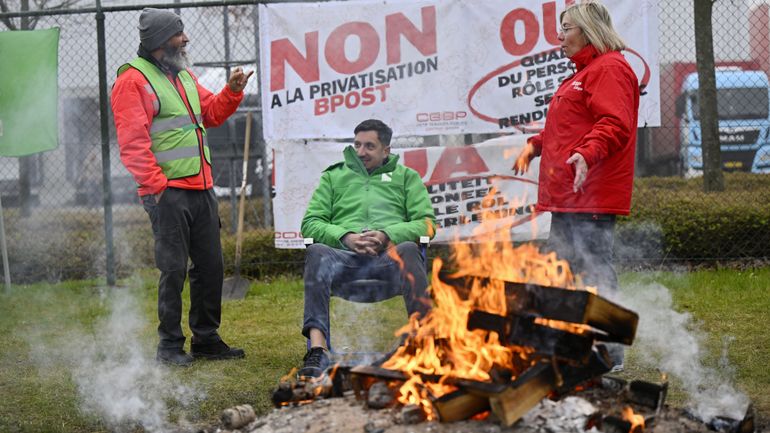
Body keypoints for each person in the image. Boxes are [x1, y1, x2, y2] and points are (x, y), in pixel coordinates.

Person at [111, 8, 254, 366]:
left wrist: (232, 92)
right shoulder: (132, 80)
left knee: (210, 266)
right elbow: (132, 143)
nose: (185, 39)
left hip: (201, 187)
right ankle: (170, 347)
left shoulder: (183, 73)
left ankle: (206, 339)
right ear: (161, 40)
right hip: (168, 192)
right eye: (179, 34)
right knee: (173, 269)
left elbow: (212, 113)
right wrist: (158, 187)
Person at [513, 1, 639, 371]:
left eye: (566, 28)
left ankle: (610, 354)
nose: (559, 36)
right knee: (563, 271)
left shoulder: (610, 69)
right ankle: (571, 346)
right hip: (571, 196)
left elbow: (615, 124)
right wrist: (536, 145)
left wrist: (587, 154)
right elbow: (570, 127)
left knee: (593, 271)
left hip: (592, 193)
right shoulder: (584, 72)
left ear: (588, 29)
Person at [298, 119, 437, 378]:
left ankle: (425, 342)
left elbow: (427, 224)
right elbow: (310, 223)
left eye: (369, 146)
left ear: (386, 150)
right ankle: (317, 350)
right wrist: (346, 237)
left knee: (408, 247)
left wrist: (387, 235)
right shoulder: (334, 176)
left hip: (388, 263)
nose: (361, 152)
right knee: (316, 252)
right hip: (344, 263)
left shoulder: (407, 177)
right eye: (357, 145)